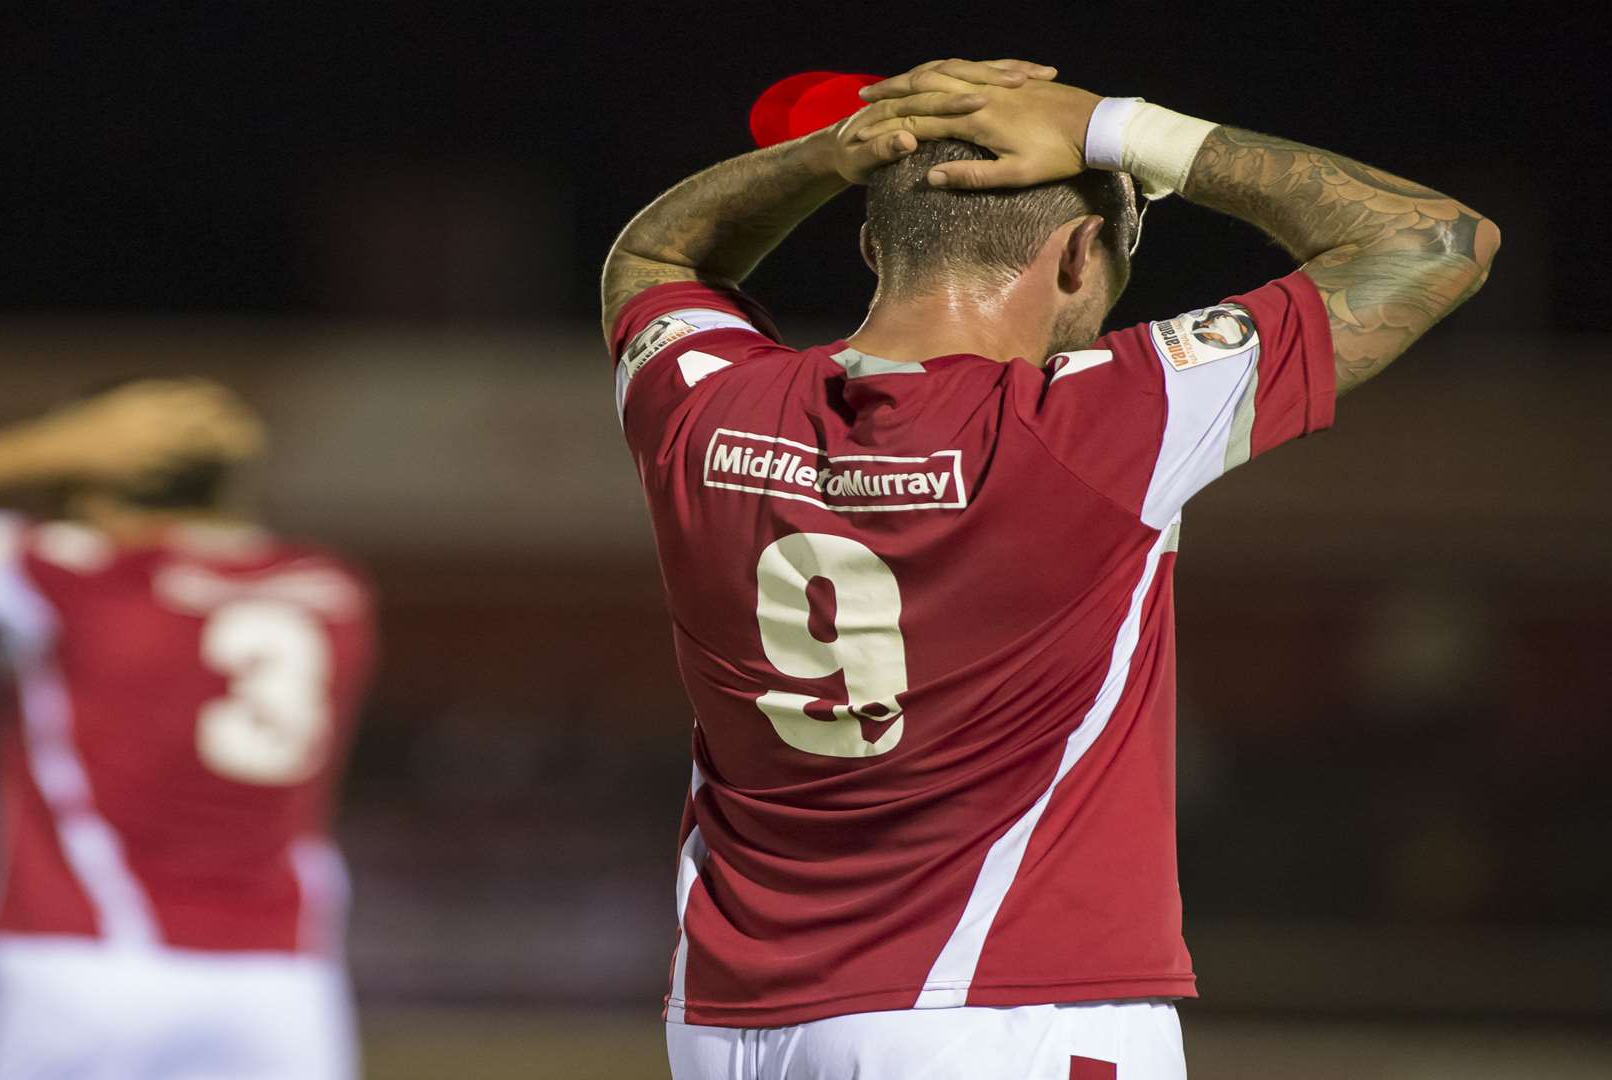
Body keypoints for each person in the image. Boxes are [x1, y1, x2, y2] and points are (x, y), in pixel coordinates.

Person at [601, 57, 1498, 1079]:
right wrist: (1118, 127)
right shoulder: (1095, 423)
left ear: (866, 244)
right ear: (1079, 256)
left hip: (731, 1020)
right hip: (1002, 1010)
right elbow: (1435, 242)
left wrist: (829, 154)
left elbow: (654, 257)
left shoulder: (709, 408)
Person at [0, 378, 376, 1079]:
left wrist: (54, 445)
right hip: (279, 979)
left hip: (81, 960)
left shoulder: (76, 574)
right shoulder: (331, 586)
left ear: (91, 486)